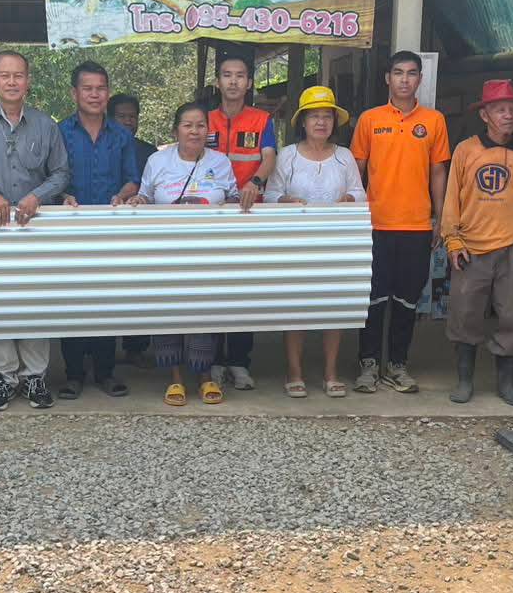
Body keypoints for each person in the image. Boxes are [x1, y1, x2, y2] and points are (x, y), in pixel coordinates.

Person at [0, 50, 70, 412]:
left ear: (28, 80)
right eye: (4, 75)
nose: (12, 82)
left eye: (18, 75)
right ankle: (2, 378)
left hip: (36, 228)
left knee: (37, 299)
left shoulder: (45, 125)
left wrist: (39, 195)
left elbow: (61, 173)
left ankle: (35, 376)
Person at [441, 79, 513, 407]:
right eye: (500, 109)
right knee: (464, 314)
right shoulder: (465, 150)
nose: (508, 115)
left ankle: (506, 384)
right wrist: (452, 240)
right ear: (484, 115)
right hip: (470, 246)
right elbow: (451, 199)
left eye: (512, 109)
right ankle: (464, 381)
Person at [350, 50, 450, 395]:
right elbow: (356, 171)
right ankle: (367, 364)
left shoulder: (434, 121)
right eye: (398, 73)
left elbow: (438, 172)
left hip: (417, 226)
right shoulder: (370, 120)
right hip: (375, 225)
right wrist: (353, 217)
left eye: (411, 73)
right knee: (373, 299)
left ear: (420, 79)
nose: (404, 80)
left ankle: (397, 365)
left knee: (407, 301)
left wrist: (440, 217)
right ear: (387, 78)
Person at [129, 102, 239, 405]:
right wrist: (138, 200)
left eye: (200, 125)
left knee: (205, 313)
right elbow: (146, 196)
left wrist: (237, 202)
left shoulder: (220, 162)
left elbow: (232, 198)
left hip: (208, 254)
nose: (194, 131)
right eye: (187, 125)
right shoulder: (157, 161)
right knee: (168, 313)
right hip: (166, 254)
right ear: (175, 130)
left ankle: (204, 377)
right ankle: (175, 379)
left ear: (208, 131)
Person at [266, 86, 365, 398]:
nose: (321, 122)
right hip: (295, 244)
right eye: (314, 116)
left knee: (333, 307)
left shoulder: (345, 156)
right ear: (303, 122)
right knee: (295, 307)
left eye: (327, 116)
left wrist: (350, 198)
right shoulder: (288, 155)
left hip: (336, 244)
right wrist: (284, 200)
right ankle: (294, 372)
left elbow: (360, 193)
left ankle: (331, 373)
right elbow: (270, 194)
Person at [58, 62, 140, 399]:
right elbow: (50, 177)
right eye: (87, 88)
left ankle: (106, 371)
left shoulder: (121, 136)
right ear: (74, 93)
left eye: (101, 88)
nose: (94, 94)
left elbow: (133, 179)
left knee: (108, 297)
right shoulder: (59, 132)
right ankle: (73, 374)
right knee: (71, 300)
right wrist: (62, 196)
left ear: (108, 92)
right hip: (68, 232)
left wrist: (123, 195)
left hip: (110, 231)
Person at [206, 52, 273, 388]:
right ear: (217, 81)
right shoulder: (204, 119)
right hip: (211, 217)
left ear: (249, 83)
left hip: (249, 214)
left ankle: (239, 361)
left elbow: (269, 157)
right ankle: (213, 360)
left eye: (240, 76)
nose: (233, 81)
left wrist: (255, 182)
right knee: (212, 287)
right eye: (227, 75)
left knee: (244, 288)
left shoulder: (262, 120)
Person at [110, 96, 155, 368]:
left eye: (132, 116)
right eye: (121, 116)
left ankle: (136, 347)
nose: (128, 121)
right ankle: (98, 351)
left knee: (138, 288)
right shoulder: (103, 146)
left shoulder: (149, 152)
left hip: (138, 231)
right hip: (106, 227)